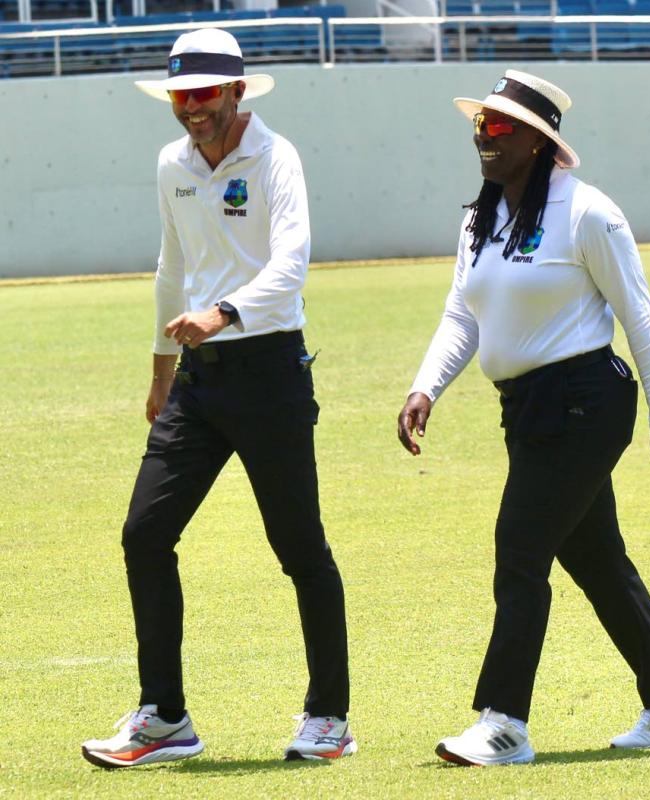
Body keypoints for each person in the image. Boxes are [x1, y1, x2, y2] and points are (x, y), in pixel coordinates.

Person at [397, 70, 650, 767]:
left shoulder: (589, 213)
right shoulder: (480, 217)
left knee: (519, 550)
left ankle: (503, 723)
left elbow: (640, 319)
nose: (484, 136)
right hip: (527, 409)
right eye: (480, 124)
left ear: (539, 141)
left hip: (586, 402)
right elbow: (462, 313)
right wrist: (427, 386)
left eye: (500, 126)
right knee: (595, 558)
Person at [81, 28, 355, 768]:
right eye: (179, 97)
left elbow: (292, 263)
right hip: (197, 381)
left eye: (202, 94)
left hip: (269, 372)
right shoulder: (171, 163)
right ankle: (165, 718)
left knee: (299, 548)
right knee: (144, 534)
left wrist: (224, 313)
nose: (190, 109)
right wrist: (160, 371)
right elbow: (171, 267)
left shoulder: (276, 157)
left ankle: (329, 717)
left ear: (237, 90)